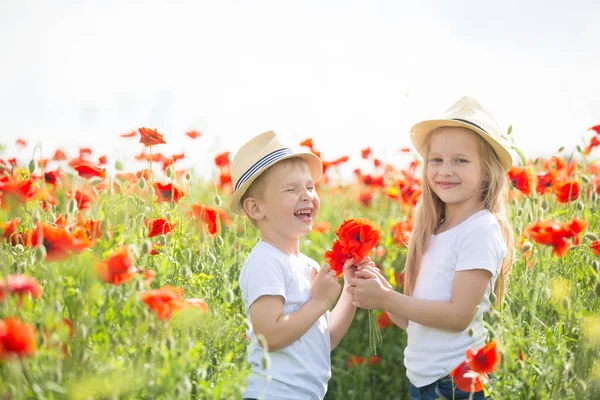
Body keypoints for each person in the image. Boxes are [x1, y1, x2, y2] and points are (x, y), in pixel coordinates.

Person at [348, 96, 515, 400]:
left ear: (488, 171)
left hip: (455, 383)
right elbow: (412, 321)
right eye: (436, 160)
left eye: (460, 160)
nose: (445, 170)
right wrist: (381, 291)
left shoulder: (479, 229)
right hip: (425, 383)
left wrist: (386, 296)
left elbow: (457, 316)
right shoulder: (435, 231)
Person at [228, 130, 364, 400]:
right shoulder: (265, 262)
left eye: (310, 187)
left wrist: (349, 290)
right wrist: (319, 301)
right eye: (292, 189)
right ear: (256, 209)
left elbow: (324, 340)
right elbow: (270, 336)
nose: (306, 195)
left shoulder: (306, 264)